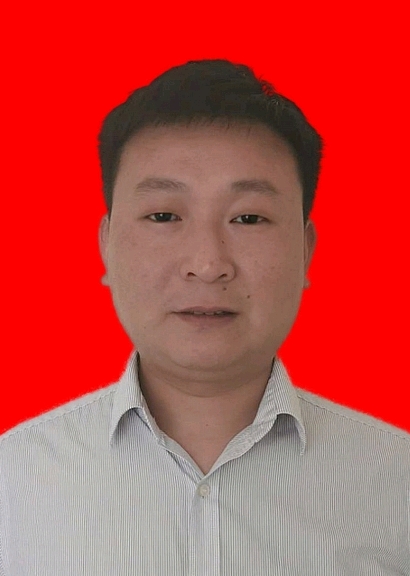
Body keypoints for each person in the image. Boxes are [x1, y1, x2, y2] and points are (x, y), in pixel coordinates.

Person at [0, 59, 409, 576]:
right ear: (106, 245)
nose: (208, 263)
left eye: (249, 218)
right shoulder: (13, 481)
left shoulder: (397, 482)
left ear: (306, 250)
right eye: (164, 215)